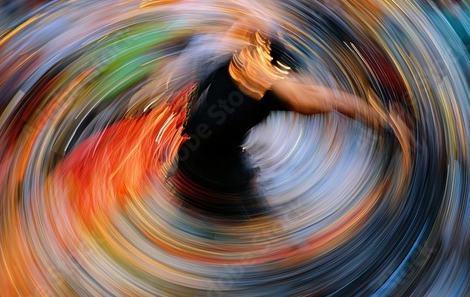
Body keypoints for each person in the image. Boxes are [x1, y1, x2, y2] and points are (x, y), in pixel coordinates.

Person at [172, 19, 412, 218]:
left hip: (188, 164)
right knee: (265, 235)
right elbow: (335, 101)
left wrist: (383, 120)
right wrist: (385, 121)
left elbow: (331, 99)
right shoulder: (269, 87)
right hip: (218, 180)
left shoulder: (233, 62)